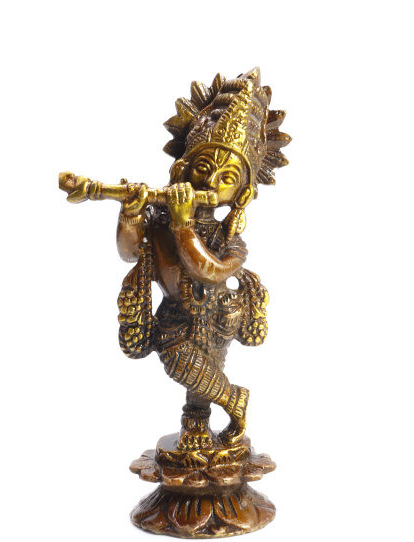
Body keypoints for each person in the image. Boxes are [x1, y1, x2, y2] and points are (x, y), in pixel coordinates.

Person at [115, 68, 290, 450]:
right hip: (174, 316)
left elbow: (210, 270)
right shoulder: (159, 219)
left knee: (203, 373)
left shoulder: (230, 240)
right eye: (203, 169)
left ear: (242, 193)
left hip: (218, 317)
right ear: (182, 170)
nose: (211, 184)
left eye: (227, 178)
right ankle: (230, 401)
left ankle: (202, 418)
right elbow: (130, 253)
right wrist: (130, 214)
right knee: (177, 360)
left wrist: (184, 226)